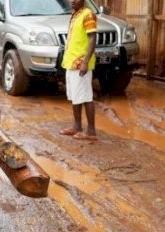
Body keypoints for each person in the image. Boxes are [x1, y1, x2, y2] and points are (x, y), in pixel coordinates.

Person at [59, 0, 97, 141]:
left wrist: (86, 61)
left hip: (81, 62)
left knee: (86, 96)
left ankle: (91, 132)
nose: (72, 1)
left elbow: (93, 38)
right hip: (71, 62)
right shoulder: (76, 14)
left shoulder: (88, 14)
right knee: (75, 95)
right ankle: (77, 126)